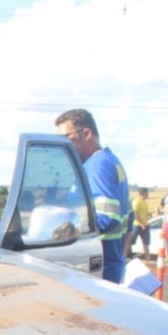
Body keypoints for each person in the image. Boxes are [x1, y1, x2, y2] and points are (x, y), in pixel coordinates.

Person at [54, 109, 131, 283]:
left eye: (65, 138)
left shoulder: (97, 166)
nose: (61, 146)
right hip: (109, 264)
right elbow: (129, 216)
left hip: (98, 268)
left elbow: (107, 217)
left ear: (86, 134)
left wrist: (66, 231)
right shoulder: (109, 160)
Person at [130, 187, 152, 261]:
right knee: (130, 241)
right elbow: (135, 213)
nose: (148, 195)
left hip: (145, 225)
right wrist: (140, 223)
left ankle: (147, 259)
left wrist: (149, 215)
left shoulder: (145, 203)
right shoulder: (137, 201)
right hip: (136, 225)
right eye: (147, 193)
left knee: (146, 243)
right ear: (144, 193)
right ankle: (125, 257)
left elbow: (145, 213)